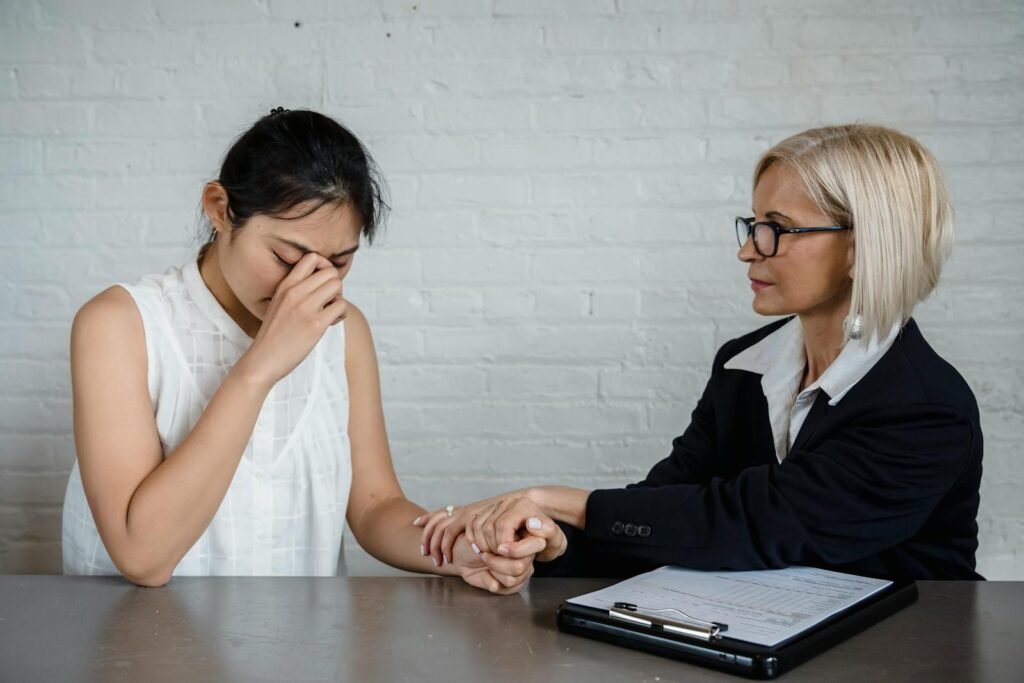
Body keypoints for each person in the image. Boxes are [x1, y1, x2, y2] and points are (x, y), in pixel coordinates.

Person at [418, 123, 984, 582]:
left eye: (776, 229)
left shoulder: (926, 407)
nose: (747, 250)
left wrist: (549, 497)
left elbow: (755, 522)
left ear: (860, 248)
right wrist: (551, 542)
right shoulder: (743, 365)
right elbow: (669, 507)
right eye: (754, 224)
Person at [61, 108, 541, 592]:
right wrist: (261, 365)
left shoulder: (346, 330)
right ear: (219, 209)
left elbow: (375, 507)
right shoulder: (120, 325)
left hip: (298, 646)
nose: (308, 284)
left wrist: (462, 550)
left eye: (339, 262)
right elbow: (141, 555)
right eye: (286, 257)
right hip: (141, 651)